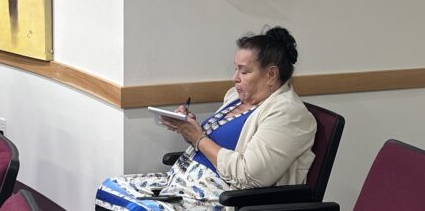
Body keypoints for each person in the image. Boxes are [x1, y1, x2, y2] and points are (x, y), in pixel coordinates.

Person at [96, 27, 317, 210]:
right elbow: (213, 144)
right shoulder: (235, 97)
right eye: (235, 69)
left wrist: (199, 138)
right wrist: (188, 128)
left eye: (244, 71)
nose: (235, 78)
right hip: (181, 182)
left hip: (220, 197)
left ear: (271, 75)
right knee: (110, 188)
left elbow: (250, 176)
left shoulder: (289, 114)